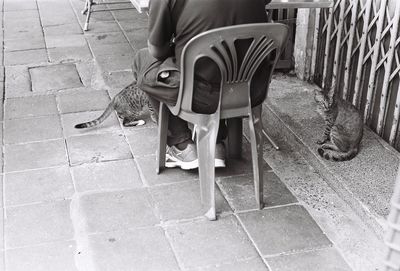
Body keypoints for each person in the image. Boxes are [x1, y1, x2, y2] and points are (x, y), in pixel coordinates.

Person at [132, 0, 271, 170]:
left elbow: (157, 51)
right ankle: (216, 142)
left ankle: (181, 144)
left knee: (143, 59)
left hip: (201, 96)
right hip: (250, 89)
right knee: (222, 61)